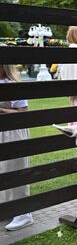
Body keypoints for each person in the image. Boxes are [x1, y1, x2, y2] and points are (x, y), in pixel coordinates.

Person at [1, 65, 33, 231]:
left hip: (12, 132)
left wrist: (1, 110)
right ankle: (7, 207)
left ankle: (23, 213)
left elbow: (23, 112)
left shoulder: (11, 84)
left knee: (15, 168)